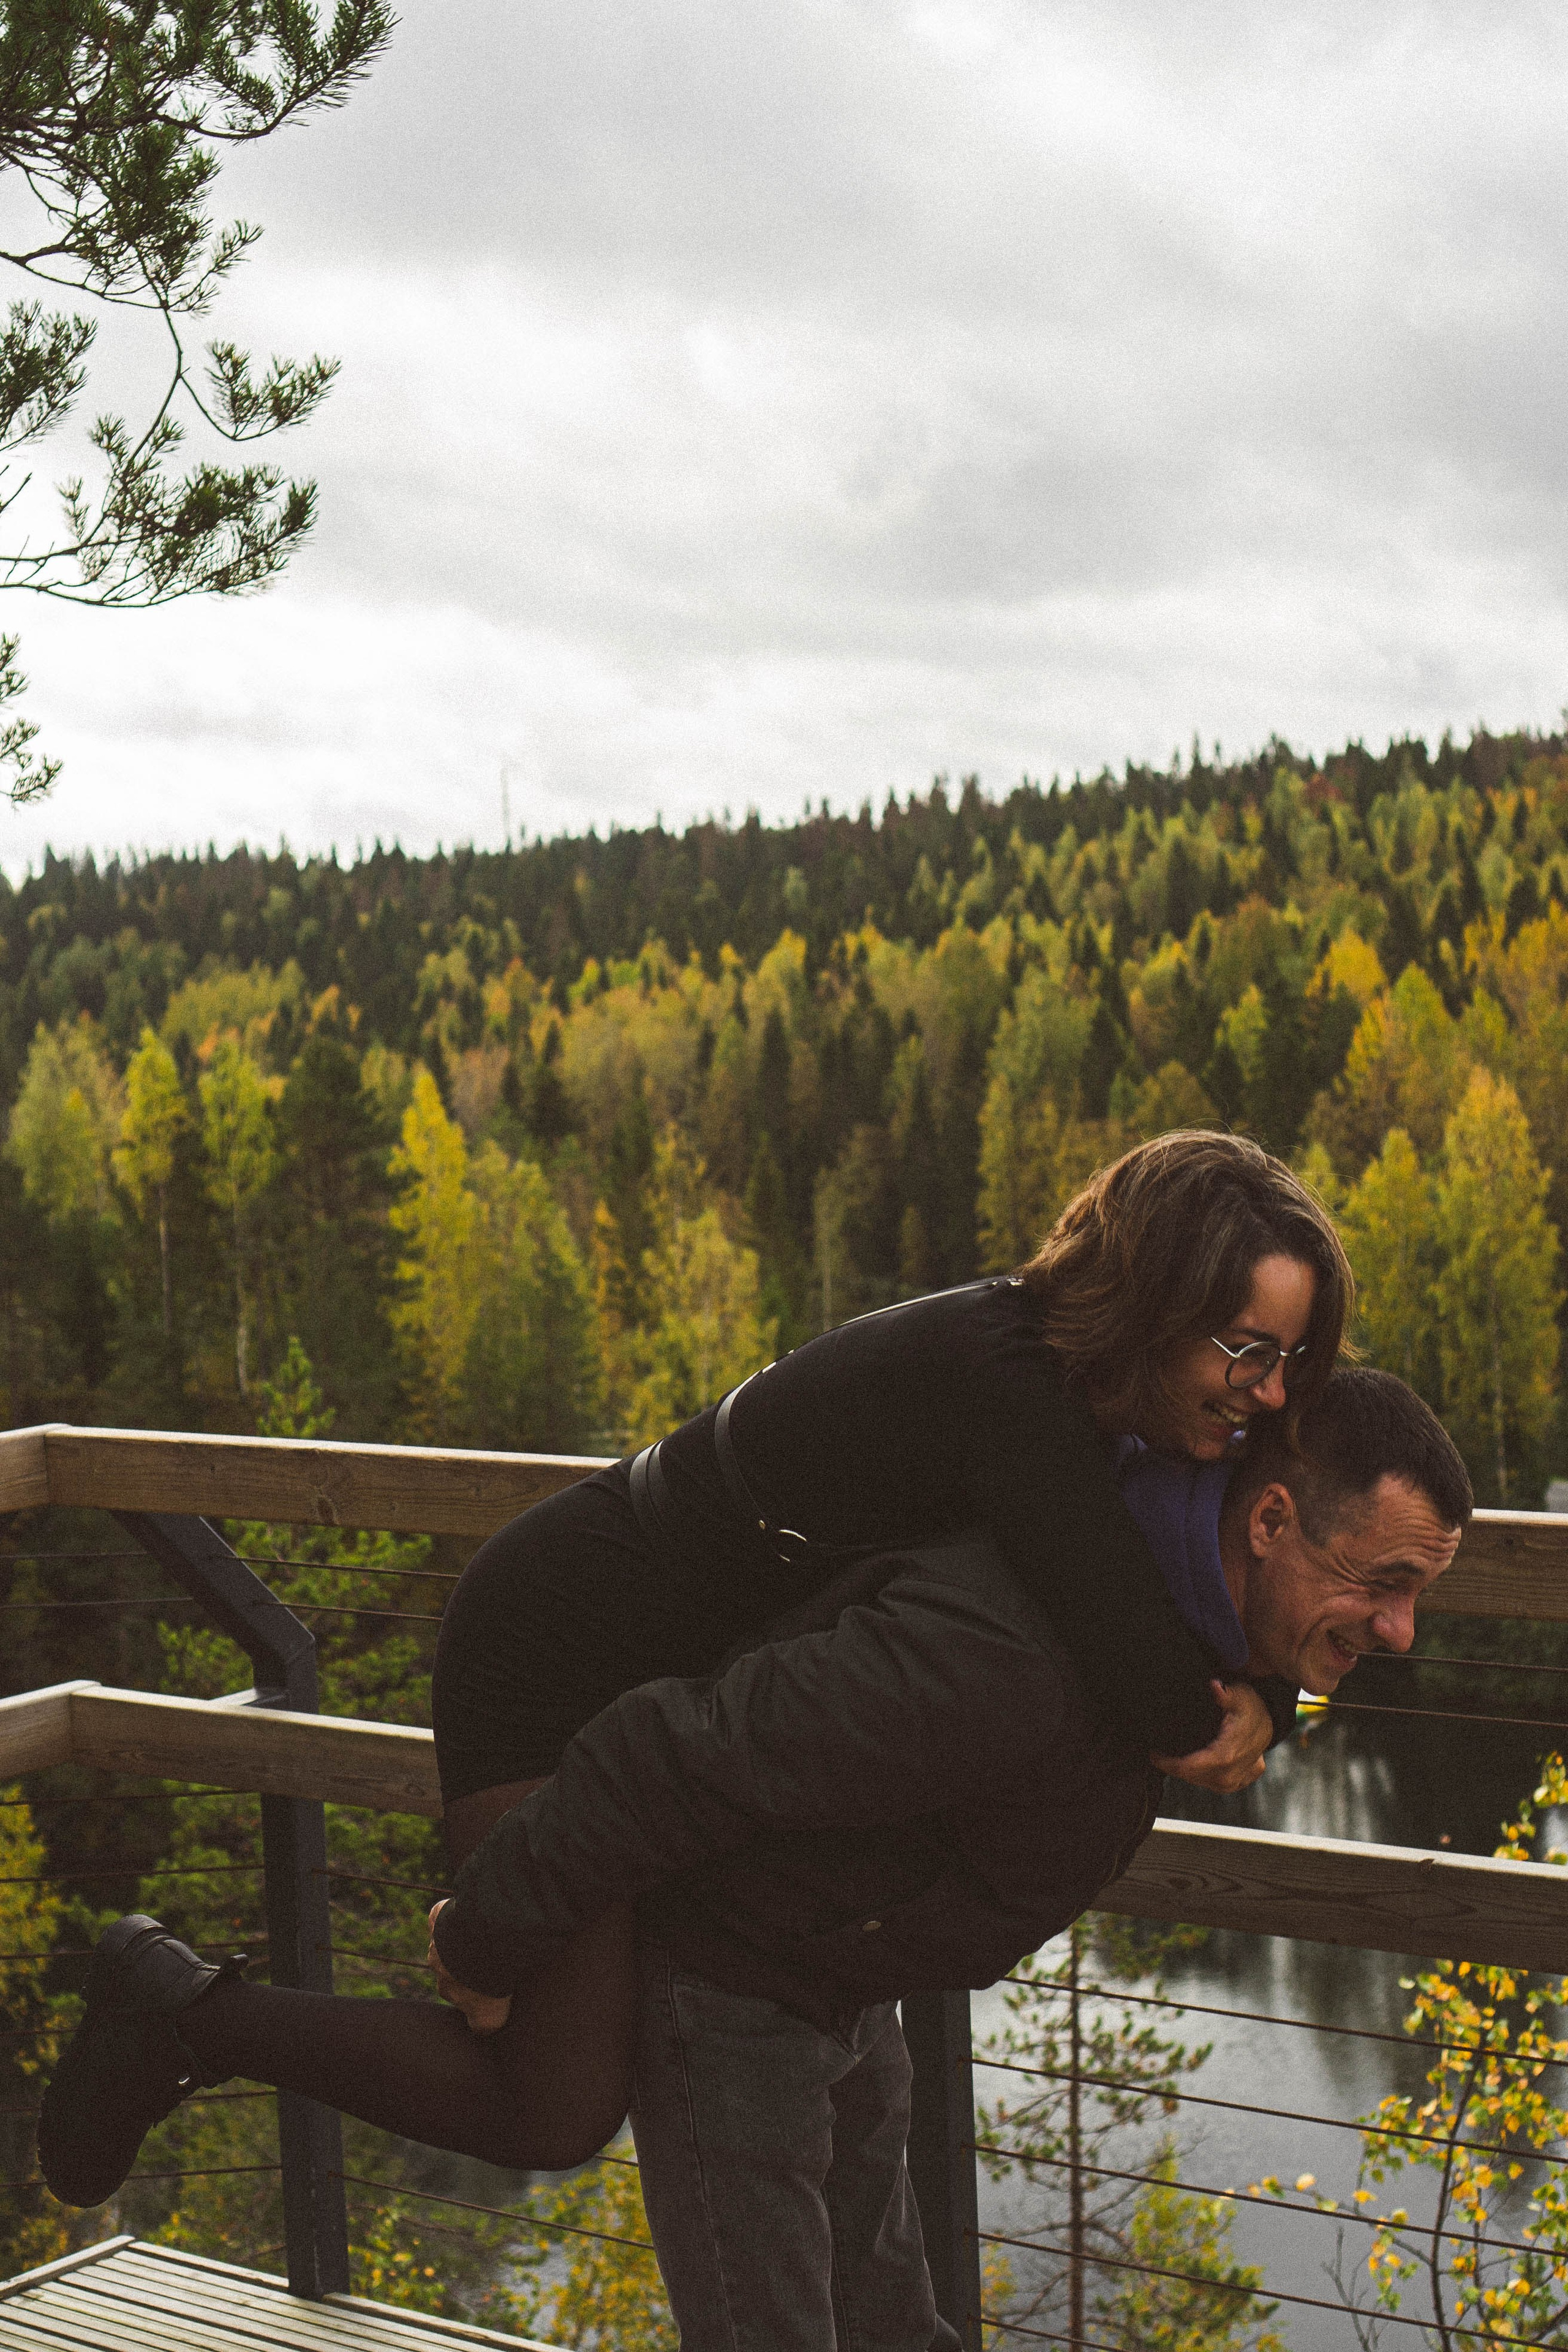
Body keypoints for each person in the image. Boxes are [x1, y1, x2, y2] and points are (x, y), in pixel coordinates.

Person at [39, 1131, 1351, 2214]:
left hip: (660, 1681)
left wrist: (1284, 1690)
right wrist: (1245, 1710)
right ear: (1151, 1303)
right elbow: (1152, 1672)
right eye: (1245, 1348)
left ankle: (184, 2013)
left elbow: (1201, 1593)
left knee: (577, 2075)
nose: (1271, 1395)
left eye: (1294, 1359)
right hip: (555, 1650)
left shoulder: (1081, 1403)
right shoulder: (1011, 1392)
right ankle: (184, 2014)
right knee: (547, 2102)